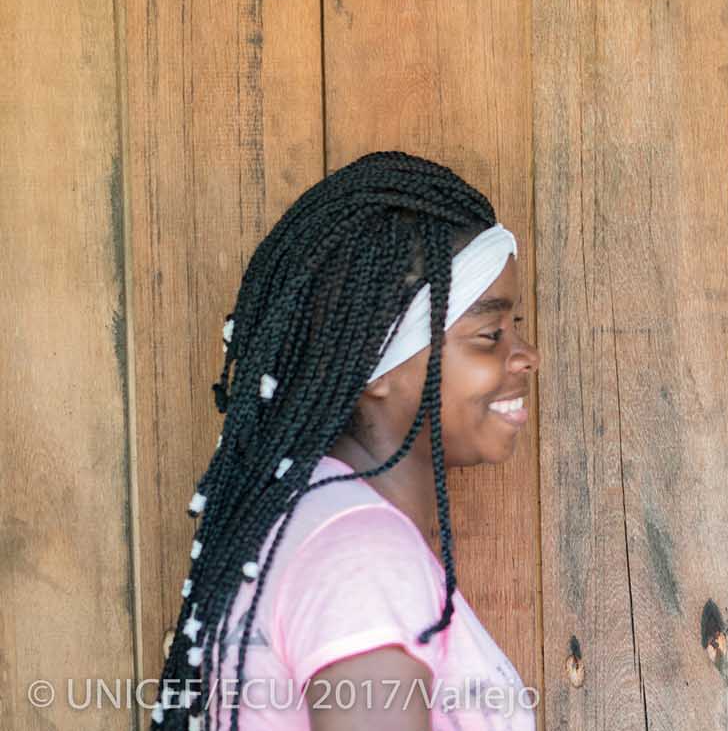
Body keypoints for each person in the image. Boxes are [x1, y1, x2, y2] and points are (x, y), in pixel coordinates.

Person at [150, 152, 538, 730]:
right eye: (488, 335)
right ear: (376, 366)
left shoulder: (312, 520)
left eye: (517, 329)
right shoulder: (363, 556)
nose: (525, 357)